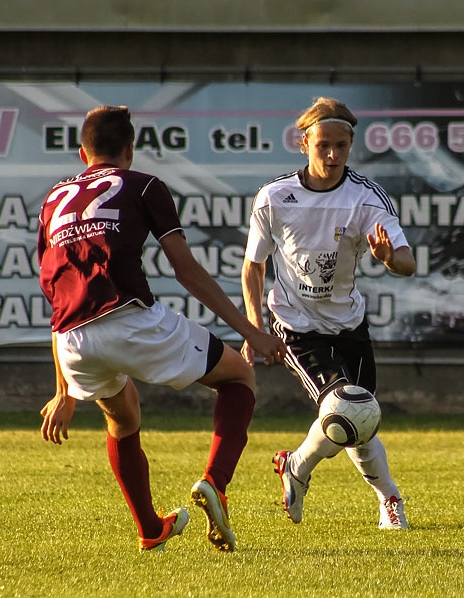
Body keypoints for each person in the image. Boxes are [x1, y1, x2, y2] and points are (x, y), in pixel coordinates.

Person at [37, 105, 286, 553]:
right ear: (130, 150)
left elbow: (57, 293)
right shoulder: (144, 184)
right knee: (238, 376)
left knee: (124, 416)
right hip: (128, 320)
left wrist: (63, 391)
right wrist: (252, 331)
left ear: (82, 154)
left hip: (74, 340)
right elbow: (186, 271)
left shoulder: (54, 199)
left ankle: (151, 528)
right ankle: (216, 484)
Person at [241, 97, 416, 529]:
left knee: (363, 422)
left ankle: (297, 466)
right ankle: (391, 498)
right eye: (323, 146)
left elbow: (409, 263)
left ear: (352, 145)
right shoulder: (275, 197)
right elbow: (253, 267)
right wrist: (254, 329)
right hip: (297, 324)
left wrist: (388, 258)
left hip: (348, 322)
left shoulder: (367, 198)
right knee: (343, 406)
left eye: (341, 145)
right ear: (304, 144)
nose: (333, 155)